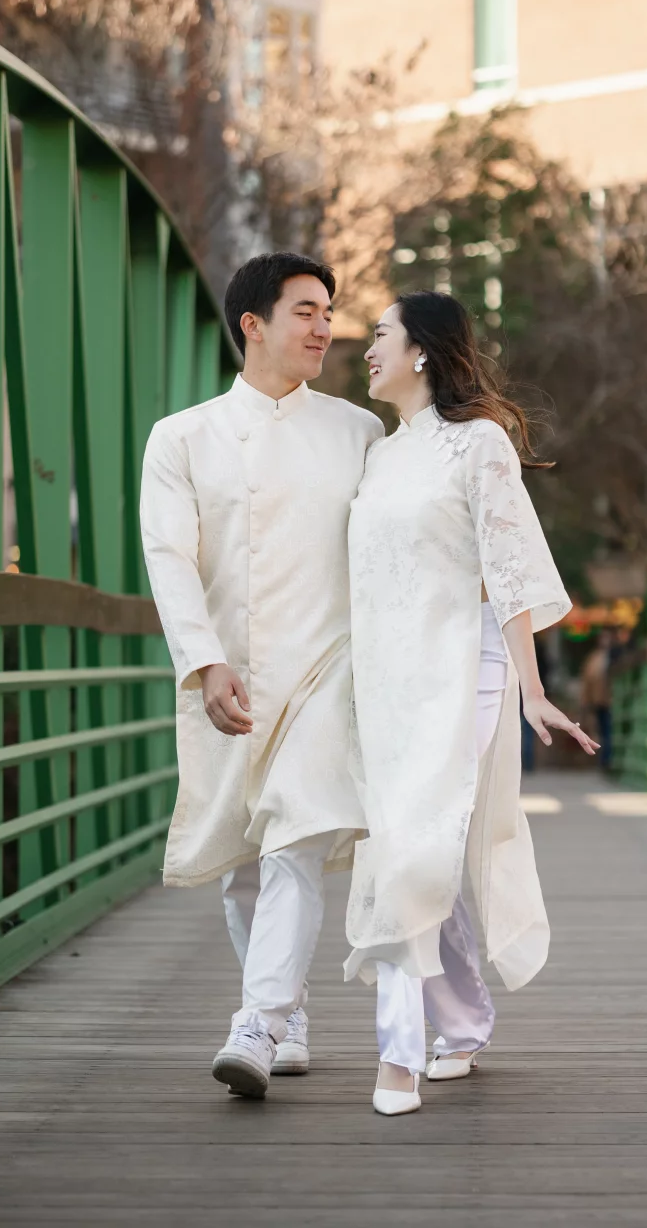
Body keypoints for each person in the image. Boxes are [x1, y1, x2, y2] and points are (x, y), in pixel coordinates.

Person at [345, 291, 599, 1116]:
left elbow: (511, 570)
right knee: (423, 850)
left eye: (380, 334)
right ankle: (458, 1023)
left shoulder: (478, 444)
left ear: (421, 350)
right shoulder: (382, 455)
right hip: (387, 678)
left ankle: (397, 1057)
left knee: (412, 849)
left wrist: (532, 691)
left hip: (466, 666)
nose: (368, 349)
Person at [140, 252, 383, 1100]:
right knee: (243, 860)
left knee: (296, 837)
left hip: (331, 670)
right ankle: (290, 1010)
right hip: (230, 674)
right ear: (253, 323)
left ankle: (259, 1019)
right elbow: (169, 557)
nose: (326, 328)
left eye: (330, 313)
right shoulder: (182, 436)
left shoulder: (360, 432)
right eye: (308, 311)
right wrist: (203, 663)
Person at [580, 629, 614, 770]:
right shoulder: (595, 658)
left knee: (608, 731)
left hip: (610, 701)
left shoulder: (612, 656)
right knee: (604, 731)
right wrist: (586, 701)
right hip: (600, 702)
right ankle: (606, 760)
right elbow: (587, 681)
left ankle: (607, 760)